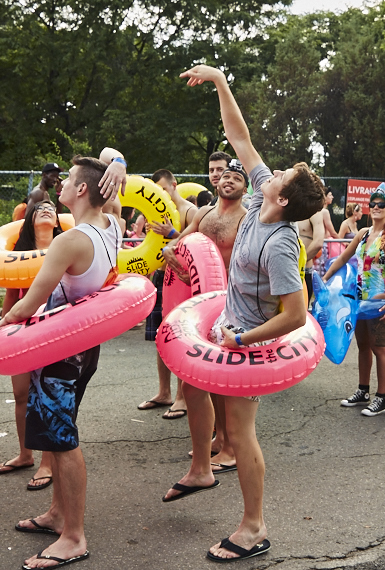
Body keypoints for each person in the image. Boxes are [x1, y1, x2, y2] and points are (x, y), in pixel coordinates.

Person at [165, 64, 324, 563]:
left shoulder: (280, 243)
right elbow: (240, 136)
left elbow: (296, 314)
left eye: (281, 175)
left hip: (249, 344)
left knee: (240, 432)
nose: (269, 171)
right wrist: (219, 81)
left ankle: (254, 527)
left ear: (284, 196)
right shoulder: (259, 200)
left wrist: (244, 338)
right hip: (225, 326)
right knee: (193, 389)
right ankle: (200, 469)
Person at [0, 153, 127, 569]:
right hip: (82, 349)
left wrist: (0, 332)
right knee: (59, 436)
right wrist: (119, 164)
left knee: (64, 441)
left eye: (69, 179)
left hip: (58, 355)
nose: (62, 184)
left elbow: (28, 304)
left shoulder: (70, 240)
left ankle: (74, 536)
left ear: (83, 189)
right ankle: (56, 515)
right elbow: (108, 165)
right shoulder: (113, 226)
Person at [158, 157, 249, 471]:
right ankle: (219, 437)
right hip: (199, 301)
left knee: (223, 378)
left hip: (231, 304)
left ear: (244, 187)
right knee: (207, 378)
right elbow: (181, 242)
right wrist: (171, 251)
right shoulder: (204, 213)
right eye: (225, 176)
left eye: (236, 178)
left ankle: (230, 447)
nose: (228, 181)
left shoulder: (246, 218)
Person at [0, 202, 65, 491]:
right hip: (23, 330)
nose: (46, 210)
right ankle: (25, 454)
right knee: (21, 394)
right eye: (39, 209)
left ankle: (48, 462)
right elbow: (11, 296)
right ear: (30, 220)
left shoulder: (67, 246)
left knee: (47, 395)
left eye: (51, 207)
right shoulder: (19, 256)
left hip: (57, 328)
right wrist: (3, 330)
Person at [324, 186, 385, 417]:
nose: (376, 207)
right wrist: (325, 280)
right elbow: (343, 258)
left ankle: (382, 398)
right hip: (358, 300)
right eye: (373, 204)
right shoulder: (364, 234)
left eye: (381, 204)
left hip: (377, 300)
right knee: (363, 346)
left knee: (380, 348)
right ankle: (363, 391)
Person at [138, 169, 201, 421]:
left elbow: (198, 245)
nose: (161, 194)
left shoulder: (190, 212)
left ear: (174, 185)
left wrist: (172, 234)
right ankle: (163, 392)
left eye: (164, 189)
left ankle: (181, 397)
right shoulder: (154, 213)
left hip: (182, 280)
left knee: (180, 337)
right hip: (161, 277)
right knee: (160, 338)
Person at [297, 204, 326, 300]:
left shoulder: (314, 211)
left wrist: (299, 262)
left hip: (303, 271)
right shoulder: (287, 207)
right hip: (285, 269)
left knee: (301, 312)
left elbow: (318, 242)